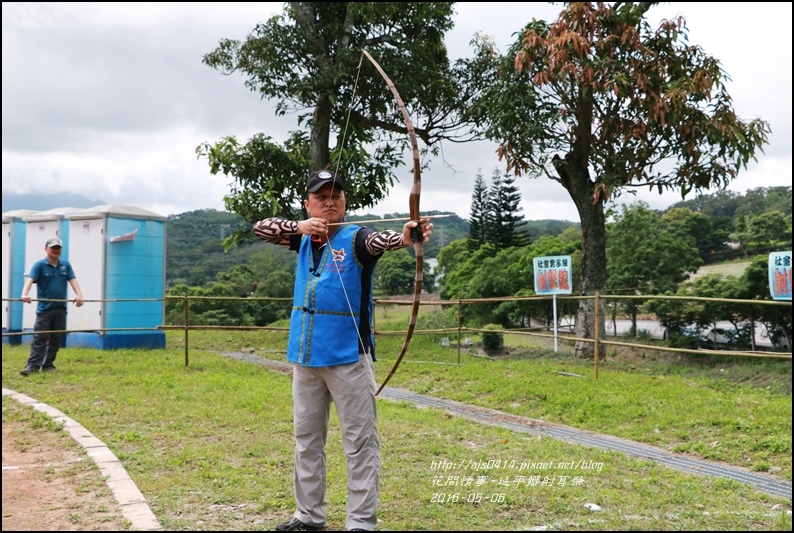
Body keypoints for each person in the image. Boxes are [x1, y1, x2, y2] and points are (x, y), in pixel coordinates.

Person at [253, 169, 433, 532]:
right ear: (308, 204)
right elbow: (261, 227)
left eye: (337, 195)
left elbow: (382, 241)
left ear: (346, 202)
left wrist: (405, 237)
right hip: (305, 357)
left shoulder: (357, 238)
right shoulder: (301, 238)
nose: (330, 201)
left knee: (359, 441)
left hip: (348, 357)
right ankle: (309, 515)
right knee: (306, 440)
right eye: (321, 197)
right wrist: (300, 226)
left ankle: (361, 522)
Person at [19, 237, 84, 376]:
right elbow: (30, 280)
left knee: (56, 338)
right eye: (52, 248)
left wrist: (79, 295)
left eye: (58, 248)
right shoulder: (39, 265)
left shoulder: (65, 265)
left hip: (60, 309)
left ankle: (48, 364)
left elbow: (73, 280)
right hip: (44, 309)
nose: (55, 250)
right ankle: (33, 366)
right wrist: (24, 294)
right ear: (46, 249)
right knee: (40, 338)